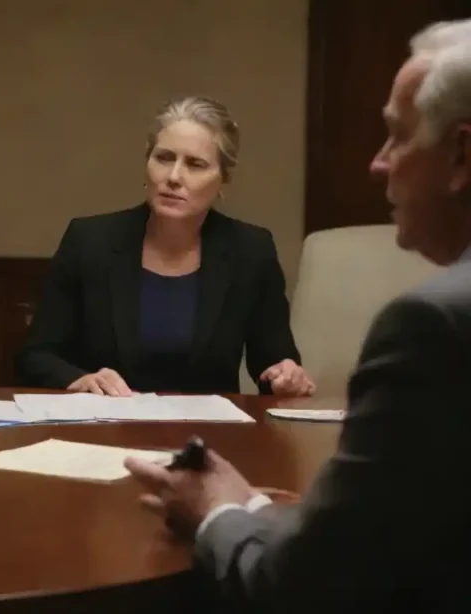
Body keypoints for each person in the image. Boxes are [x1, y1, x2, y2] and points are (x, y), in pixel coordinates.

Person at [125, 19, 471, 612]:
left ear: (461, 153)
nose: (378, 164)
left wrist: (219, 510)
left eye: (397, 136)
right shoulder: (93, 240)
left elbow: (307, 587)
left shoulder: (434, 325)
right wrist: (251, 506)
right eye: (164, 157)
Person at [16, 97, 313, 397]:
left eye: (195, 165)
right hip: (104, 428)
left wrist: (286, 376)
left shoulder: (250, 251)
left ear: (223, 180)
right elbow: (36, 357)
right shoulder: (90, 241)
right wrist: (80, 379)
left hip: (210, 434)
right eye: (164, 158)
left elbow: (274, 362)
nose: (173, 177)